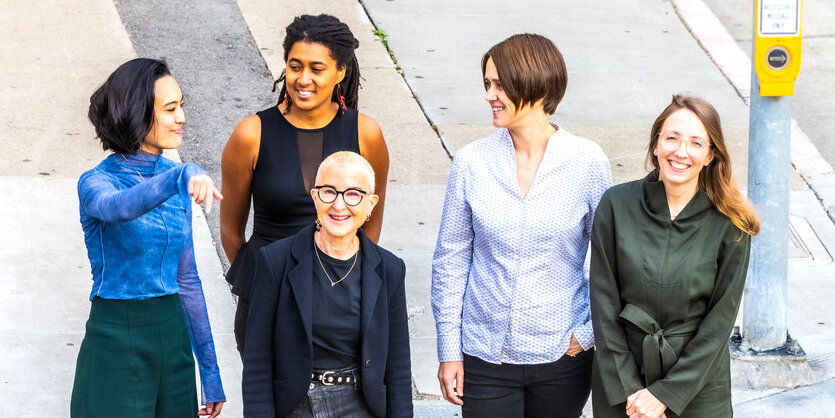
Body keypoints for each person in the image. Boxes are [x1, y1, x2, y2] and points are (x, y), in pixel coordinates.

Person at [431, 34, 612, 417]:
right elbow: (450, 262)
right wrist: (449, 350)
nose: (488, 95)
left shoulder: (587, 162)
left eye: (499, 84)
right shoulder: (470, 163)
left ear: (534, 82)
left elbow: (613, 262)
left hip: (563, 357)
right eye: (486, 84)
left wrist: (586, 335)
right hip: (483, 357)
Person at [221, 14, 389, 357]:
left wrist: (346, 280)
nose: (303, 79)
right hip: (268, 300)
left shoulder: (366, 133)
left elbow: (371, 223)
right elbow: (230, 229)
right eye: (295, 66)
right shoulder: (251, 134)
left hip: (342, 298)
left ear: (340, 71)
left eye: (317, 68)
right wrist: (263, 278)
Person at [71, 58, 225, 417]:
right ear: (138, 113)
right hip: (116, 338)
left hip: (173, 339)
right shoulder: (96, 182)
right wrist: (182, 175)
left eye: (181, 106)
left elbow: (186, 279)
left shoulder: (177, 178)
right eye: (170, 109)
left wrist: (211, 371)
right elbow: (117, 208)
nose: (182, 117)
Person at [589, 95, 760, 418]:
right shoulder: (615, 205)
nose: (681, 152)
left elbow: (719, 323)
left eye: (696, 143)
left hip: (698, 387)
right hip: (621, 380)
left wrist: (665, 394)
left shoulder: (730, 224)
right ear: (656, 145)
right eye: (672, 138)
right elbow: (603, 304)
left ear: (710, 155)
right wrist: (631, 391)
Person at [242, 151, 412, 417]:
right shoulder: (275, 261)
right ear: (314, 196)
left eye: (354, 194)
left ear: (371, 204)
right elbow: (257, 359)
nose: (339, 205)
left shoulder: (389, 269)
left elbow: (398, 364)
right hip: (295, 405)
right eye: (329, 191)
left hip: (361, 405)